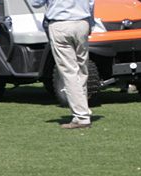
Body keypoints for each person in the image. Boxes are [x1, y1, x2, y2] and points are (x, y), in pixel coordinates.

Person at [31, 0, 94, 129]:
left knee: (69, 72)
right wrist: (91, 24)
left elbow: (36, 3)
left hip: (61, 24)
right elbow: (91, 3)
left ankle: (81, 116)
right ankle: (83, 111)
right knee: (82, 69)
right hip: (82, 22)